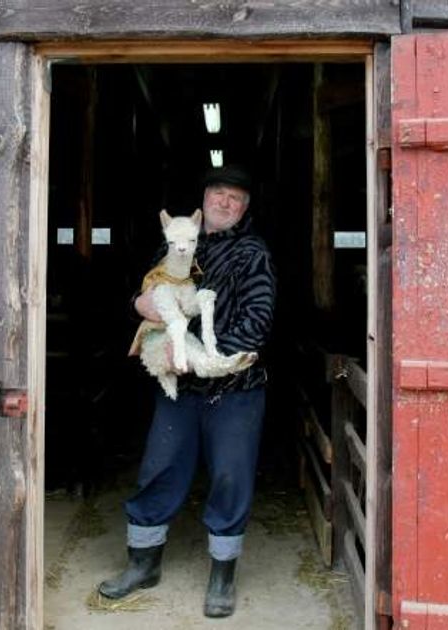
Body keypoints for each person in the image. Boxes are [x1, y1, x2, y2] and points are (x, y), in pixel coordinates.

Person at [98, 165, 276, 618]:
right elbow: (146, 294)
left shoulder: (254, 253)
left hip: (236, 388)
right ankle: (143, 563)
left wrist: (207, 358)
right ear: (203, 201)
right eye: (218, 193)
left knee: (231, 476)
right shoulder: (175, 244)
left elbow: (257, 320)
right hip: (179, 388)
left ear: (245, 208)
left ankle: (222, 576)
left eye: (236, 197)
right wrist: (138, 306)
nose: (225, 202)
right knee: (160, 467)